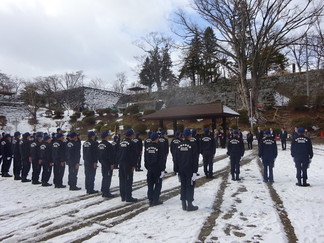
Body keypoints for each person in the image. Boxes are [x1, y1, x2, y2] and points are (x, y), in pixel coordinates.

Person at [174, 128, 199, 211]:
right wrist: (195, 171)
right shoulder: (193, 145)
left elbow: (175, 158)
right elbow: (195, 159)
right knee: (190, 186)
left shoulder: (178, 145)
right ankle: (190, 204)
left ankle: (184, 204)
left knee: (183, 186)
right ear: (189, 136)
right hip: (190, 169)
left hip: (181, 169)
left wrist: (176, 169)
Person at [144, 132, 165, 206]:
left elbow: (145, 158)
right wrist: (162, 169)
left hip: (149, 168)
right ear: (157, 139)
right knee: (158, 184)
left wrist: (147, 166)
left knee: (150, 184)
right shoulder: (159, 147)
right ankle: (155, 200)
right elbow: (161, 159)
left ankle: (150, 199)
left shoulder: (147, 146)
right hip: (157, 168)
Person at [118, 129, 138, 202]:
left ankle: (123, 196)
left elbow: (118, 152)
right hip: (128, 164)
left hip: (121, 163)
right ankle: (128, 197)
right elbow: (134, 155)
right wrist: (133, 165)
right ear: (131, 135)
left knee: (122, 179)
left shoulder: (121, 142)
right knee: (128, 180)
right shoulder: (131, 143)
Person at [98, 131, 115, 198]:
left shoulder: (99, 144)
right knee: (107, 178)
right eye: (108, 135)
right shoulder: (108, 145)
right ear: (106, 136)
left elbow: (98, 154)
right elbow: (111, 155)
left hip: (103, 163)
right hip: (108, 164)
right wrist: (112, 163)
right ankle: (106, 192)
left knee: (104, 176)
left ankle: (103, 189)